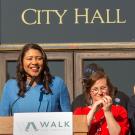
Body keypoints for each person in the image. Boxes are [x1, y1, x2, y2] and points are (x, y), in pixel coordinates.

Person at [0, 43, 71, 116]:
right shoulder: (10, 86)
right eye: (29, 58)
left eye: (39, 58)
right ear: (22, 61)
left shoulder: (57, 84)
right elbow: (2, 120)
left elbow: (67, 119)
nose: (34, 62)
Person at [74, 70, 129, 135]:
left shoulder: (119, 111)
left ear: (109, 89)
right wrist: (93, 111)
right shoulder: (80, 112)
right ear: (89, 92)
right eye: (95, 89)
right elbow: (79, 133)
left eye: (103, 88)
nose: (100, 92)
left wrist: (107, 112)